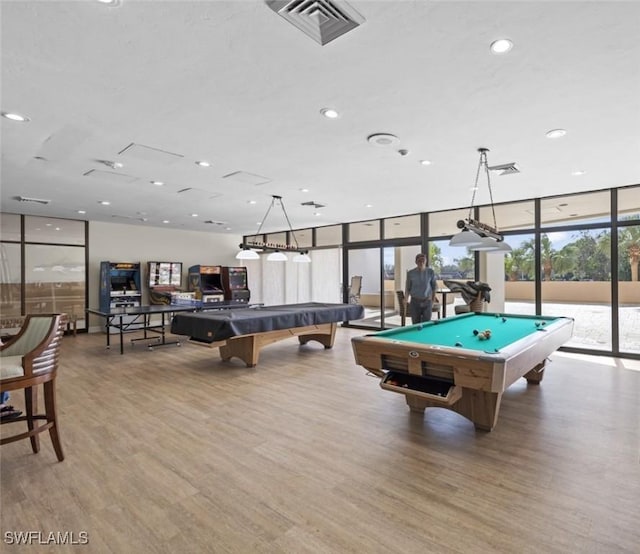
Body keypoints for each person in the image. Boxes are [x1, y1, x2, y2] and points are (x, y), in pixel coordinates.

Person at [405, 252, 437, 324]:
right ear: (416, 262)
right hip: (415, 302)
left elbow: (434, 287)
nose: (421, 262)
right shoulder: (410, 273)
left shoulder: (430, 272)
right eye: (419, 260)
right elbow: (408, 288)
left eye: (423, 260)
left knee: (426, 325)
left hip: (427, 301)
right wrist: (406, 299)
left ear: (425, 261)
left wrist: (432, 301)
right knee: (416, 324)